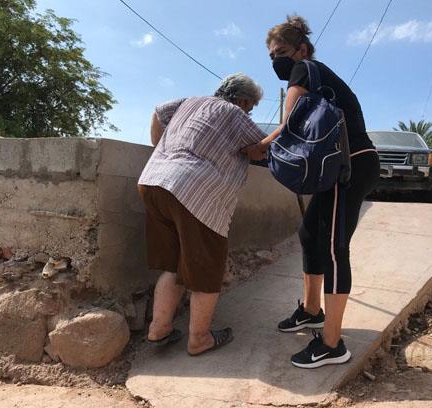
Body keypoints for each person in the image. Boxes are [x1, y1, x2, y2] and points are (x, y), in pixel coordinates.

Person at [251, 15, 381, 368]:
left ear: (301, 49)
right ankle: (311, 311)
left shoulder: (304, 69)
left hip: (349, 165)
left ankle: (332, 344)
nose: (275, 60)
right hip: (338, 166)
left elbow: (289, 124)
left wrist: (256, 148)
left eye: (281, 52)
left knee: (333, 248)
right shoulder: (315, 72)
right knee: (310, 234)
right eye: (271, 55)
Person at [138, 73, 268, 356]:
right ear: (243, 100)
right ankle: (200, 339)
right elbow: (261, 150)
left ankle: (159, 329)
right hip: (196, 193)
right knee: (207, 270)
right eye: (251, 106)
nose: (249, 112)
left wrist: (160, 152)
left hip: (153, 181)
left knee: (173, 265)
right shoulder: (235, 114)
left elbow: (157, 112)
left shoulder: (190, 101)